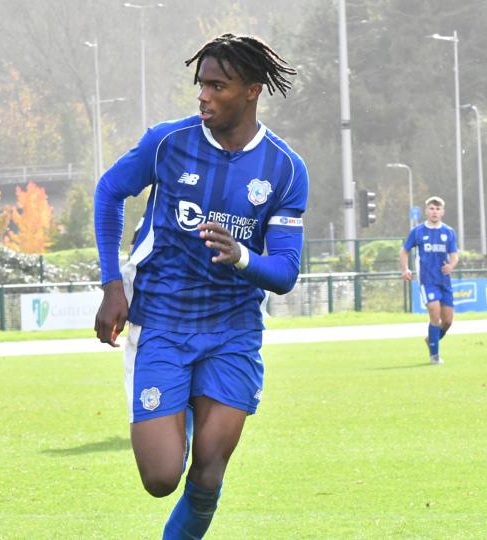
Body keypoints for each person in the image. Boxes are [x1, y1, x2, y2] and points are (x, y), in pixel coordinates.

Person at [93, 33, 307, 539]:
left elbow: (284, 273)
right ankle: (185, 408)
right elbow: (109, 192)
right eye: (201, 84)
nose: (203, 96)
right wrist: (110, 285)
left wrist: (241, 256)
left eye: (217, 85)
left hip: (233, 331)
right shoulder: (169, 143)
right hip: (162, 323)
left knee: (208, 475)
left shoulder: (284, 168)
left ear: (252, 91)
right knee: (162, 478)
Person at [399, 196, 459, 365]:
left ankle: (431, 340)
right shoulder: (418, 231)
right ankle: (434, 356)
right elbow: (404, 251)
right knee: (434, 311)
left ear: (443, 212)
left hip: (444, 281)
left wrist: (451, 266)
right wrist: (405, 269)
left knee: (447, 321)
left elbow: (454, 256)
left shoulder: (448, 232)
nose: (435, 211)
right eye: (432, 208)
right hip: (427, 280)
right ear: (426, 211)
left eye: (438, 209)